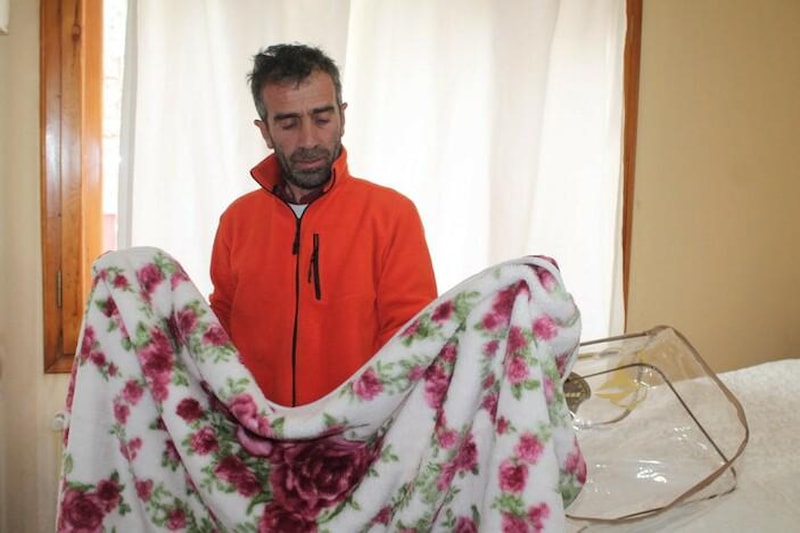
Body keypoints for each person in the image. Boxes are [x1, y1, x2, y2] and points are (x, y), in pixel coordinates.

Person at [210, 43, 438, 407]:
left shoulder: (393, 215)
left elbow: (412, 341)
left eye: (322, 119)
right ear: (265, 131)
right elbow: (218, 335)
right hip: (253, 431)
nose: (308, 140)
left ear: (342, 118)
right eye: (288, 123)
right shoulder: (237, 221)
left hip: (361, 432)